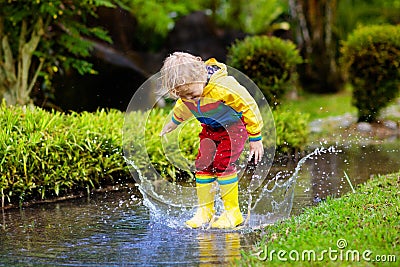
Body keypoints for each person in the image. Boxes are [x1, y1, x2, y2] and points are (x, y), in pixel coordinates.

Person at [159, 52, 263, 229]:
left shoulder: (223, 87)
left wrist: (256, 137)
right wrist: (173, 123)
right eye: (185, 97)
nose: (190, 100)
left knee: (223, 163)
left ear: (200, 76)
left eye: (192, 94)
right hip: (210, 129)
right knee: (203, 164)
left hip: (233, 128)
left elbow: (248, 106)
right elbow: (183, 107)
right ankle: (205, 212)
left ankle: (233, 213)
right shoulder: (188, 94)